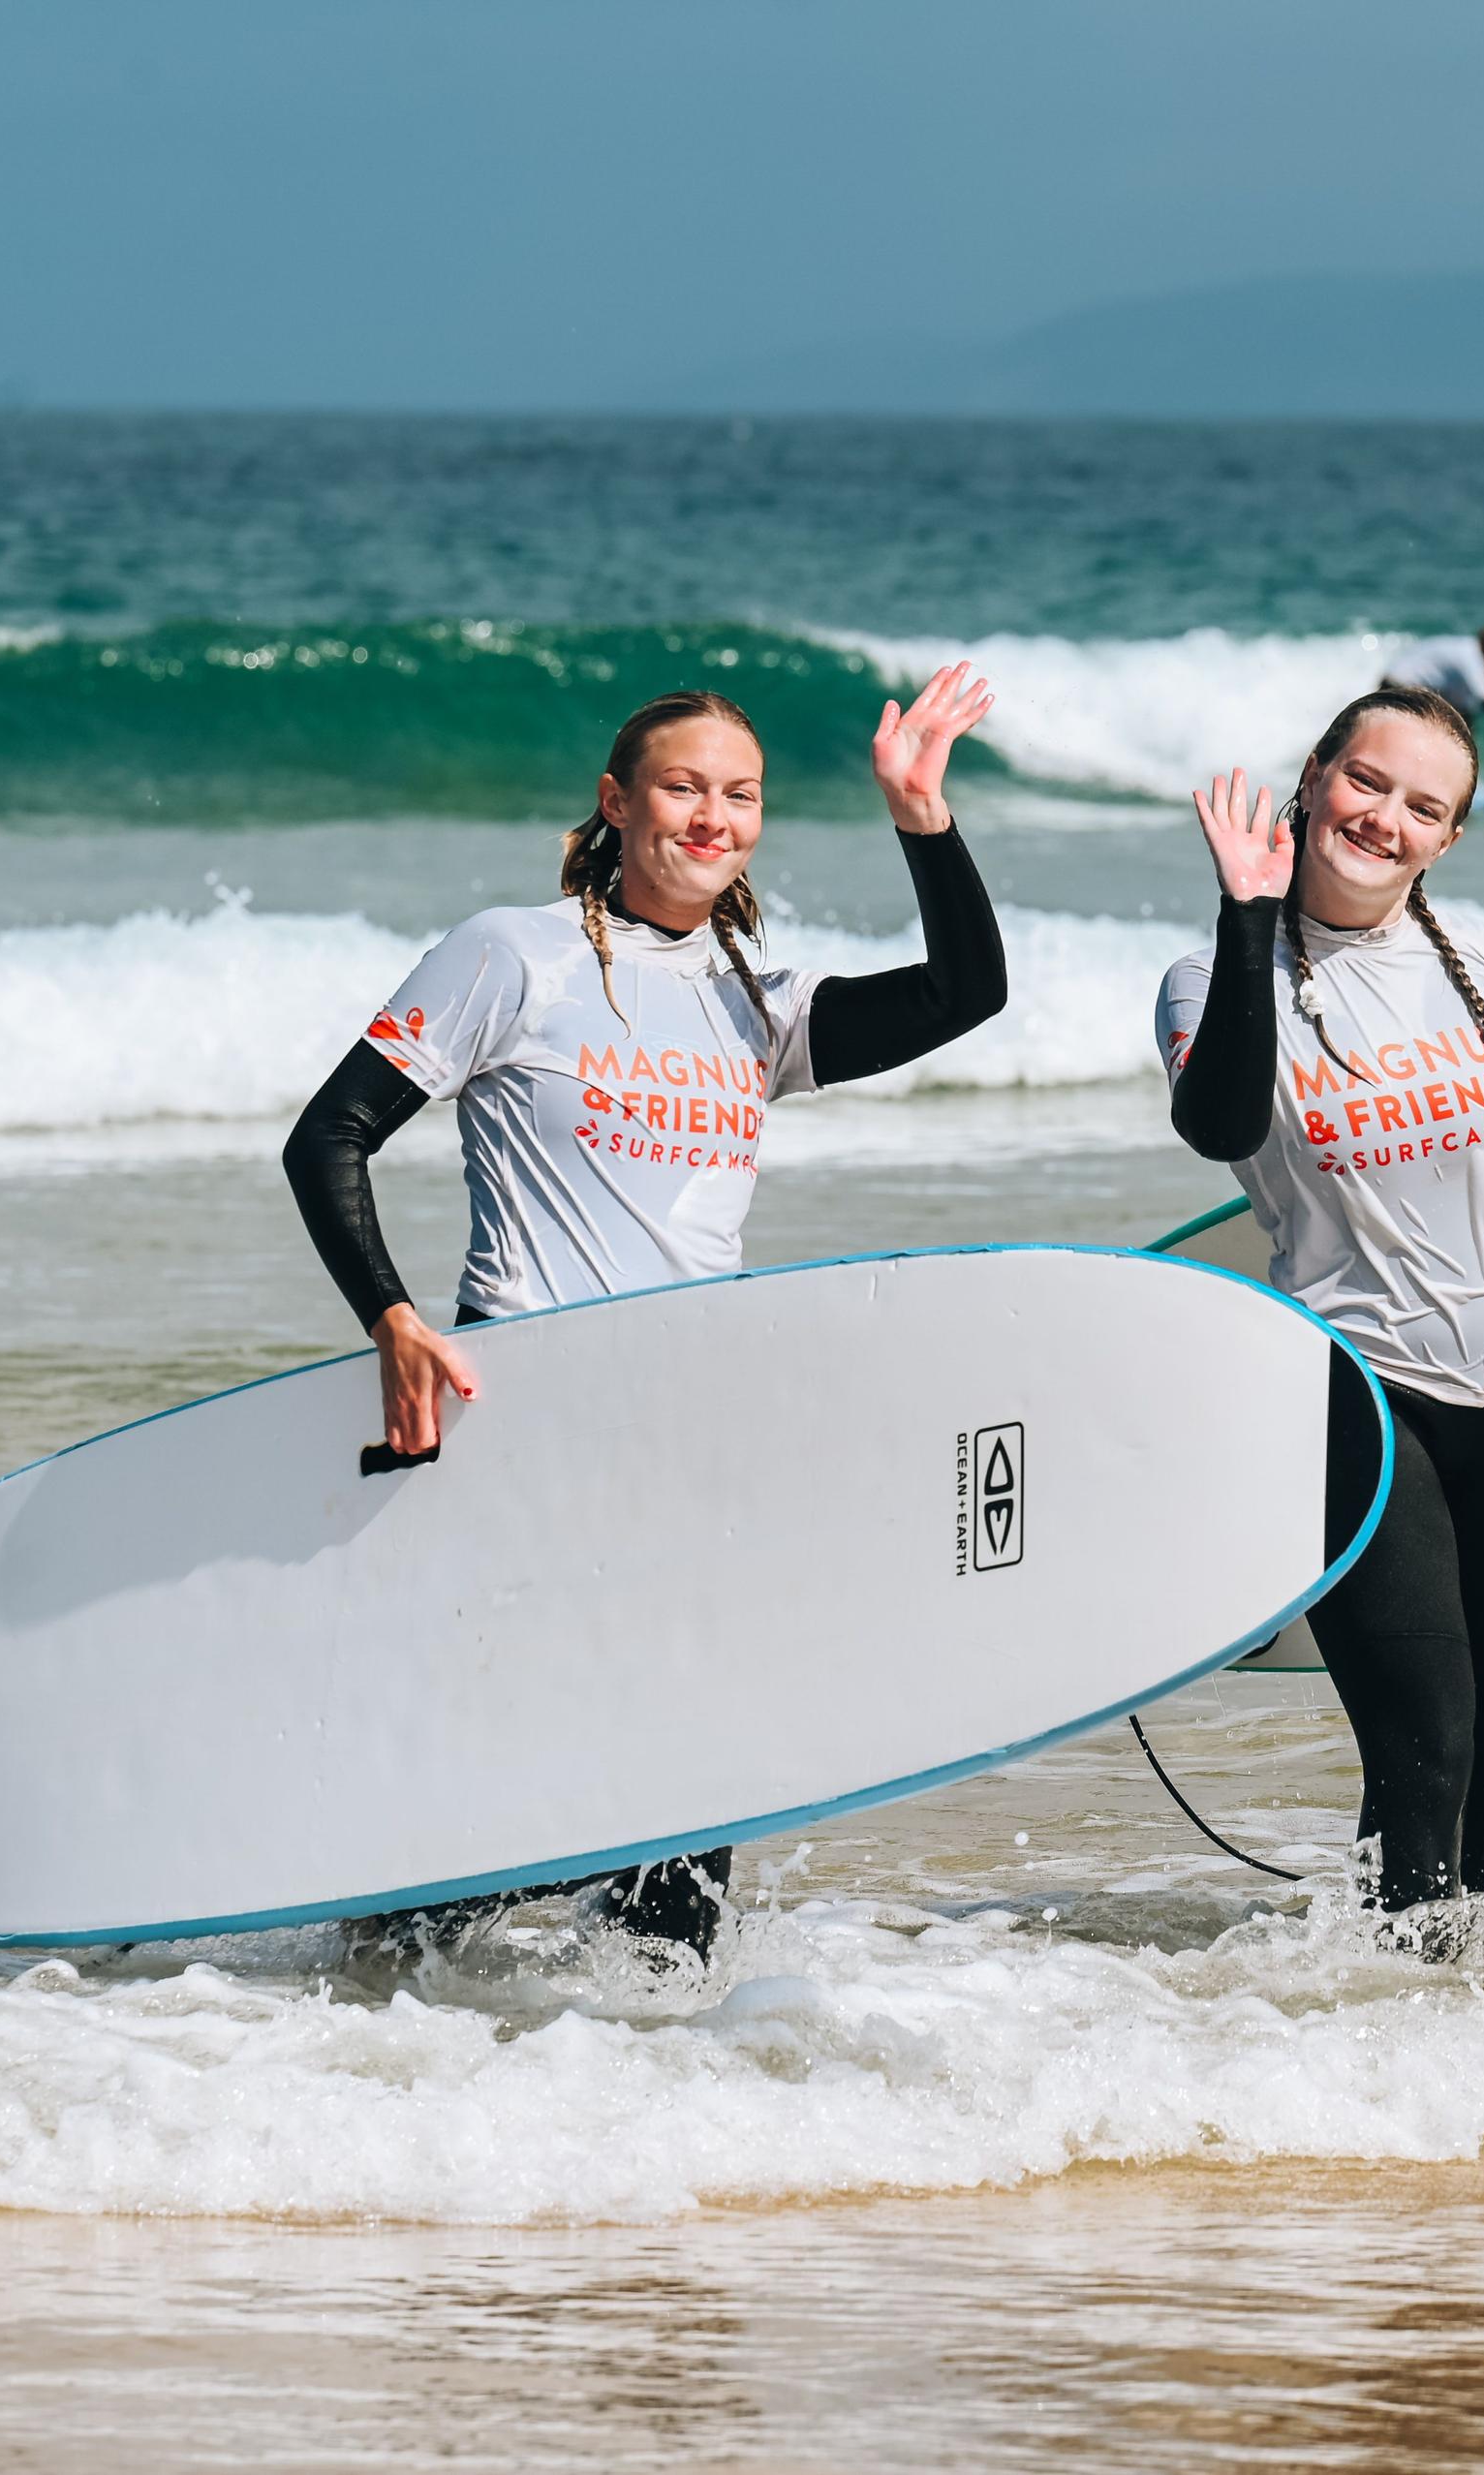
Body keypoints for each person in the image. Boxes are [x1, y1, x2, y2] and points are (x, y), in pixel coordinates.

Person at [282, 666, 1007, 1957]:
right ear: (617, 802)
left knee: (692, 1782)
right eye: (683, 786)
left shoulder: (756, 1000)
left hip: (693, 1419)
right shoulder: (513, 953)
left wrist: (921, 816)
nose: (712, 814)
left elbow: (966, 992)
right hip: (532, 1410)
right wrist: (392, 1319)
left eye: (741, 793)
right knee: (535, 1751)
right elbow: (330, 1133)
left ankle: (640, 2069)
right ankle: (383, 1999)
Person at [1158, 685, 1484, 1929]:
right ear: (1314, 778)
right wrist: (1250, 916)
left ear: (1450, 838)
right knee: (1428, 1753)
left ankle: (1378, 2008)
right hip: (1360, 1389)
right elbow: (1220, 1123)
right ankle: (1411, 2039)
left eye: (1424, 806)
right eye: (1366, 781)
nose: (1384, 818)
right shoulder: (1207, 978)